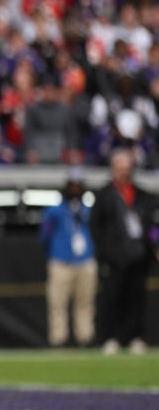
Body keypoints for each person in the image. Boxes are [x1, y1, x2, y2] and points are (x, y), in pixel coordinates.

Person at [90, 149, 157, 355]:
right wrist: (103, 253)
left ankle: (136, 336)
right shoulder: (104, 196)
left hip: (138, 255)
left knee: (137, 298)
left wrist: (154, 247)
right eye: (119, 167)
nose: (123, 172)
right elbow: (96, 227)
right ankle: (111, 337)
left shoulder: (143, 196)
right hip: (115, 257)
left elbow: (152, 226)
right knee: (112, 298)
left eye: (126, 167)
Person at [40, 168, 96, 347]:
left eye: (78, 185)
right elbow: (44, 235)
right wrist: (51, 254)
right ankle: (58, 339)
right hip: (60, 261)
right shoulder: (55, 211)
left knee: (85, 302)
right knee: (58, 303)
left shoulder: (88, 210)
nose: (75, 189)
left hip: (85, 260)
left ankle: (85, 337)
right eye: (72, 185)